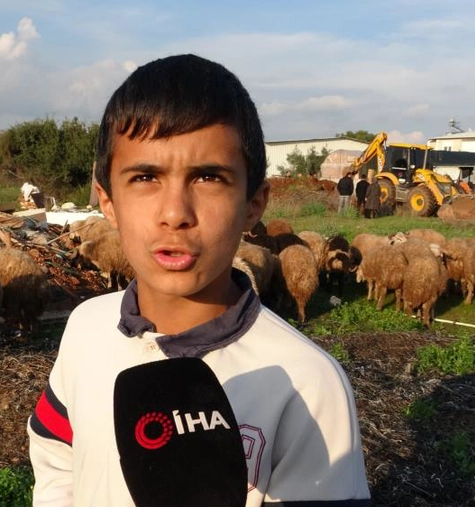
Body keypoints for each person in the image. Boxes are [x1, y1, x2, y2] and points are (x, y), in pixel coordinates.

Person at [27, 54, 371, 506]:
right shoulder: (86, 327)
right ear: (108, 202)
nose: (175, 214)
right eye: (145, 177)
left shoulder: (308, 385)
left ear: (253, 204)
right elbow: (56, 452)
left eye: (208, 177)